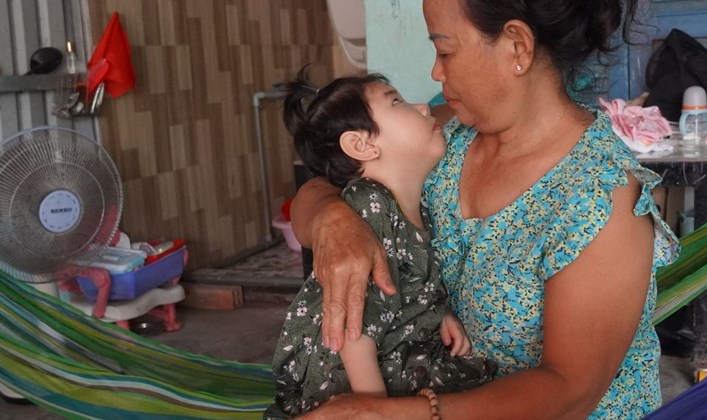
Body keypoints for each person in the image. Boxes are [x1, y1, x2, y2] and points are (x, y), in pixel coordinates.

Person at [289, 0, 681, 418]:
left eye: (445, 51)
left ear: (516, 46)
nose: (435, 73)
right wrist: (333, 220)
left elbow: (569, 392)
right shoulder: (442, 136)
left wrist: (388, 414)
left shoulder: (600, 196)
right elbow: (318, 186)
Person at [266, 69, 496, 418]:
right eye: (397, 102)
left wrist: (436, 314)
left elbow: (407, 283)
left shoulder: (415, 205)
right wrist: (373, 408)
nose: (423, 107)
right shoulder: (369, 205)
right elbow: (355, 330)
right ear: (362, 145)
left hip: (394, 357)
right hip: (356, 378)